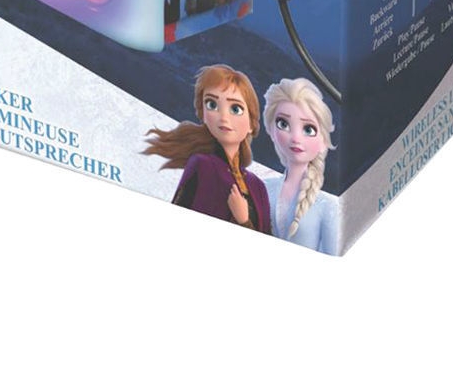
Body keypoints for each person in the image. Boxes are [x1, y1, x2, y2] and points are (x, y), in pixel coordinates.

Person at [142, 65, 271, 234]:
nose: (223, 117)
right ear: (203, 114)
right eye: (212, 104)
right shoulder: (202, 165)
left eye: (235, 109)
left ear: (251, 125)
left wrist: (244, 221)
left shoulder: (258, 186)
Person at [261, 78, 339, 254]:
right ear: (271, 130)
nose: (296, 138)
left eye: (308, 129)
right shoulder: (263, 188)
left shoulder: (327, 207)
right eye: (283, 124)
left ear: (323, 142)